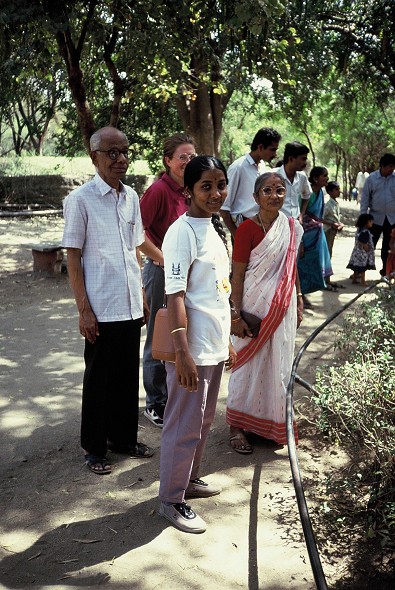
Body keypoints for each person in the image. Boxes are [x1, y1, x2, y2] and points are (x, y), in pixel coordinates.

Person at [62, 126, 163, 475]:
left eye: (124, 151)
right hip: (100, 307)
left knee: (124, 377)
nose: (120, 159)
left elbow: (134, 249)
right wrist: (83, 310)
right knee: (99, 379)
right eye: (112, 153)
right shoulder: (80, 200)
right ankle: (94, 448)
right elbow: (73, 256)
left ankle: (123, 438)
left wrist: (141, 295)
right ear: (94, 157)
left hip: (129, 303)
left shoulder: (131, 197)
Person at [159, 155, 236, 534]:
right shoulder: (181, 233)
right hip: (191, 349)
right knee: (183, 423)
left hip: (213, 344)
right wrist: (182, 352)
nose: (215, 193)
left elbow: (218, 293)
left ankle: (189, 479)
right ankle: (171, 499)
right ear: (187, 190)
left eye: (220, 184)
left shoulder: (215, 227)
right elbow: (175, 296)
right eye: (206, 186)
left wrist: (227, 342)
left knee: (203, 420)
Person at [226, 172, 304, 454]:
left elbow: (291, 269)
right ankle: (236, 425)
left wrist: (297, 296)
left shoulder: (292, 228)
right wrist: (235, 314)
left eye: (280, 190)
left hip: (282, 307)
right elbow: (238, 274)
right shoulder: (246, 229)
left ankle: (269, 423)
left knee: (277, 363)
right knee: (245, 364)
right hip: (252, 306)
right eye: (268, 190)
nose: (274, 196)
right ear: (256, 196)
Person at [139, 133, 197, 428]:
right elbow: (137, 231)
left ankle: (173, 395)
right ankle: (155, 403)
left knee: (180, 331)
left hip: (186, 273)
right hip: (161, 272)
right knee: (158, 335)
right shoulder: (159, 190)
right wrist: (161, 258)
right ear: (168, 161)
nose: (188, 162)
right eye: (182, 157)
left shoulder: (191, 190)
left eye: (191, 156)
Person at [220, 127, 281, 238]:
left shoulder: (262, 166)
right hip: (243, 227)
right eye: (272, 149)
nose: (275, 154)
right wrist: (237, 235)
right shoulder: (238, 167)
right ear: (260, 147)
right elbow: (224, 207)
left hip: (261, 227)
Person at [298, 166, 333, 302]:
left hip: (316, 229)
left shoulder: (321, 193)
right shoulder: (310, 192)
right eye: (324, 175)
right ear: (315, 179)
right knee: (304, 259)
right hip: (307, 230)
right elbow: (303, 212)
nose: (327, 178)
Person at [360, 153, 395, 276]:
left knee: (388, 247)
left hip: (392, 219)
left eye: (393, 167)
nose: (392, 169)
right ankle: (360, 270)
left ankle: (386, 271)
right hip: (374, 219)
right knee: (368, 244)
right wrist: (363, 217)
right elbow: (365, 198)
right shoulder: (372, 179)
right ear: (382, 166)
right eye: (390, 166)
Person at [276, 141, 311, 221]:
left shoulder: (302, 177)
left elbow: (307, 195)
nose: (305, 163)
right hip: (276, 223)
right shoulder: (273, 175)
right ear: (291, 159)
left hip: (295, 223)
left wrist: (301, 214)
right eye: (303, 159)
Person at [323, 180, 344, 287]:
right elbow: (321, 218)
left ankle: (327, 279)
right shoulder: (327, 204)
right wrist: (332, 224)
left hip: (333, 231)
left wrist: (339, 224)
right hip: (327, 231)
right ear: (330, 192)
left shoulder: (335, 203)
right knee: (327, 254)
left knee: (329, 253)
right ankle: (325, 279)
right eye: (336, 190)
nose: (338, 192)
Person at [346, 213, 375, 286]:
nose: (372, 223)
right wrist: (367, 249)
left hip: (356, 252)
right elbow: (363, 242)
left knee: (356, 266)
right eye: (370, 221)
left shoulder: (359, 230)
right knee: (362, 268)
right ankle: (363, 281)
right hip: (362, 253)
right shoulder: (365, 232)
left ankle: (354, 279)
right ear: (366, 222)